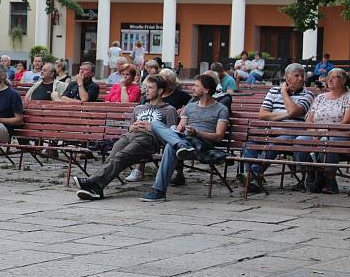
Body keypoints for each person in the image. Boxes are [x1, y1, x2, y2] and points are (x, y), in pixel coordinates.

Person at [72, 75, 178, 199]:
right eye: (145, 87)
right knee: (112, 156)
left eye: (150, 88)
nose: (146, 90)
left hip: (148, 139)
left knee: (121, 156)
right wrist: (132, 127)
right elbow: (130, 127)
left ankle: (91, 182)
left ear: (160, 91)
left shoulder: (169, 110)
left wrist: (152, 127)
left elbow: (171, 135)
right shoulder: (139, 108)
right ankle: (97, 188)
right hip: (130, 135)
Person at [140, 73, 230, 201]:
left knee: (170, 147)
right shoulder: (190, 107)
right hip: (185, 140)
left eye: (196, 86)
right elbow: (180, 127)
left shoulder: (221, 109)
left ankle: (159, 191)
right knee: (156, 124)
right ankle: (180, 145)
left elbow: (218, 137)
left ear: (206, 90)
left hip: (203, 142)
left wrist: (197, 133)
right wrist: (180, 129)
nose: (193, 88)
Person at [241, 63, 314, 189]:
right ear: (287, 77)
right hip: (272, 132)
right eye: (297, 75)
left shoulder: (307, 95)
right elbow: (262, 114)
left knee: (276, 142)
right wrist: (286, 115)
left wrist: (283, 93)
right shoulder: (273, 91)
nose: (301, 78)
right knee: (249, 142)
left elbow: (294, 111)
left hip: (293, 134)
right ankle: (254, 179)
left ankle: (252, 174)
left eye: (303, 75)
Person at [294, 68, 350, 194]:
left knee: (328, 141)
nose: (330, 79)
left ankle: (329, 180)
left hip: (340, 134)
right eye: (329, 76)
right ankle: (307, 175)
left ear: (344, 81)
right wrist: (315, 133)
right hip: (317, 134)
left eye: (335, 77)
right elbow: (309, 120)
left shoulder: (348, 97)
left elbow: (346, 121)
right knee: (300, 141)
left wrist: (324, 133)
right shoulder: (320, 98)